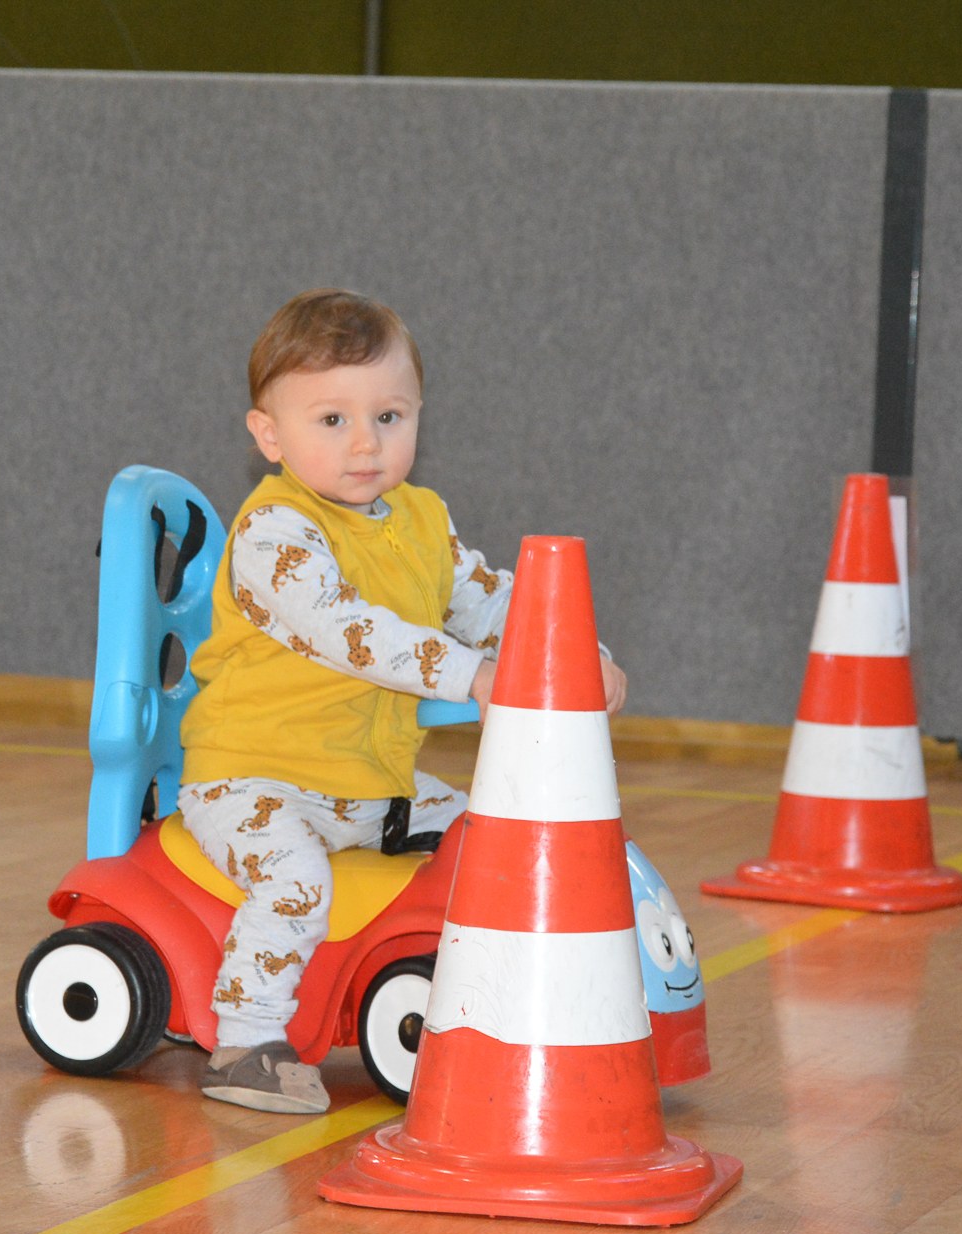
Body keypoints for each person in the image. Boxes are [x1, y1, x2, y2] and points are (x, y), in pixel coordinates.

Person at [177, 288, 627, 1113]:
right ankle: (244, 1039)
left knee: (491, 834)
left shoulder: (423, 518)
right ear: (269, 436)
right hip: (254, 780)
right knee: (294, 883)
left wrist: (573, 649)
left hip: (369, 782)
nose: (365, 443)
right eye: (332, 420)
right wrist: (474, 676)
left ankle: (507, 996)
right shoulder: (275, 534)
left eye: (389, 416)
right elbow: (352, 630)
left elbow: (488, 599)